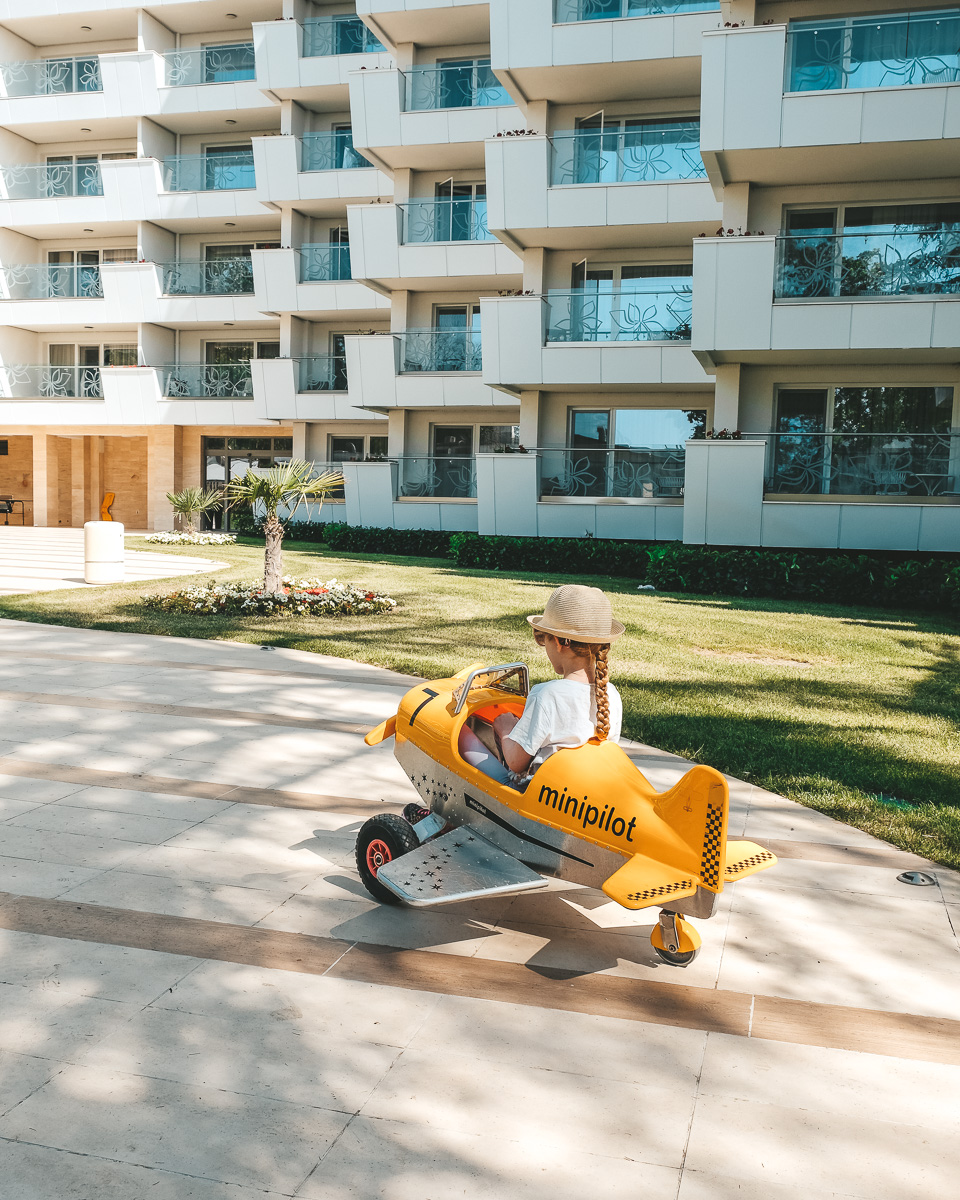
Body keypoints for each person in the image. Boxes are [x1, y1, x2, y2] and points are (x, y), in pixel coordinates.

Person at [458, 584, 624, 788]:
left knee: (460, 734)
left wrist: (506, 729)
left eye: (542, 639)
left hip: (533, 797)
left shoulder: (547, 695)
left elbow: (516, 763)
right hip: (578, 794)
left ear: (559, 642)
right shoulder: (611, 695)